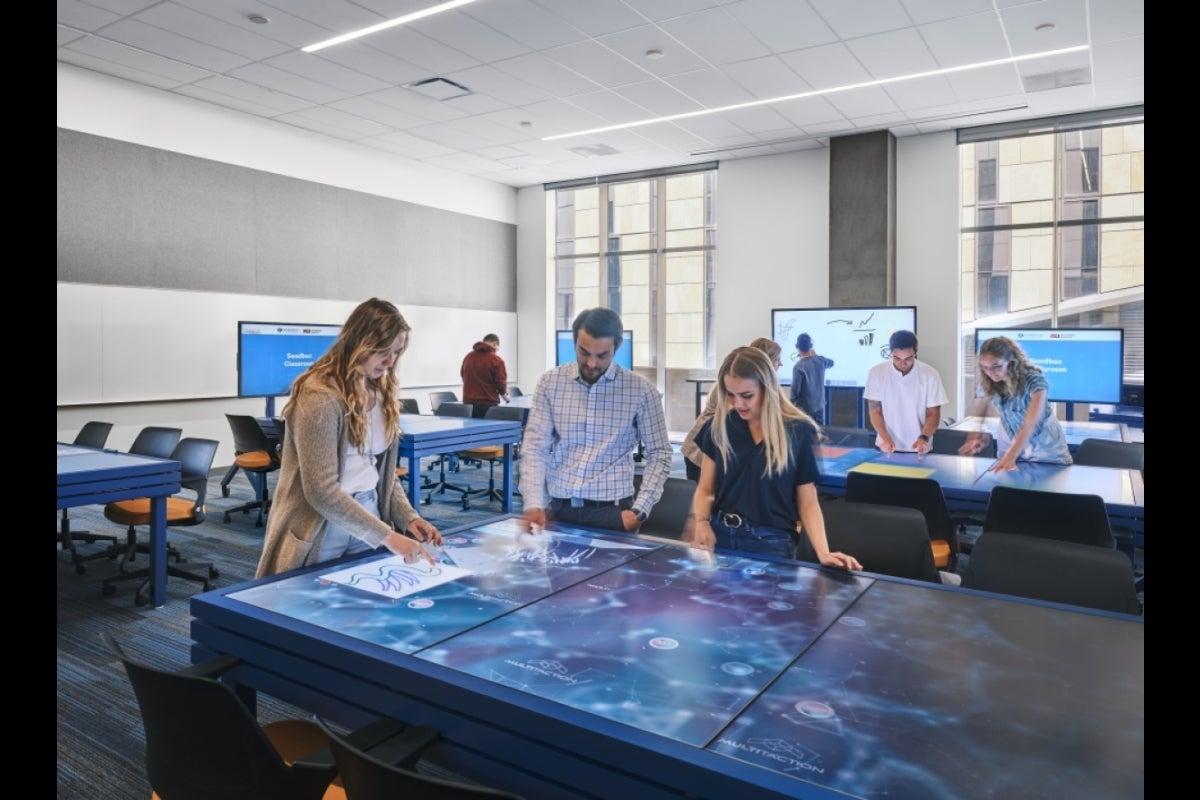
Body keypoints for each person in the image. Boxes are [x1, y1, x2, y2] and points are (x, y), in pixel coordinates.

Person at [256, 298, 442, 578]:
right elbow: (322, 492)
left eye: (397, 353)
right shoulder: (319, 396)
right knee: (312, 609)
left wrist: (408, 517)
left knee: (360, 609)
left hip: (369, 515)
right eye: (385, 352)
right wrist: (390, 537)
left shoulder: (381, 392)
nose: (391, 363)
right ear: (363, 342)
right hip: (323, 524)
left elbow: (379, 472)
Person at [683, 346, 862, 570]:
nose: (738, 404)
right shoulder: (718, 427)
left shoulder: (798, 430)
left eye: (747, 396)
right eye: (731, 395)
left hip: (772, 543)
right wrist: (700, 521)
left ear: (767, 388)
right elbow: (706, 489)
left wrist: (823, 552)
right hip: (720, 538)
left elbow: (807, 501)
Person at [519, 307, 672, 533]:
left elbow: (660, 453)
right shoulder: (550, 383)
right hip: (558, 509)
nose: (591, 363)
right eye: (584, 352)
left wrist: (640, 511)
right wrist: (533, 502)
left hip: (613, 513)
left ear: (616, 348)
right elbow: (535, 448)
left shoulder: (640, 391)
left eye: (601, 356)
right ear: (574, 343)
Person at [960, 335, 1072, 470]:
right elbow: (982, 409)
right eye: (985, 367)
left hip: (1046, 451)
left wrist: (1011, 455)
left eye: (996, 366)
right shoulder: (990, 381)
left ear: (1011, 361)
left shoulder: (1034, 380)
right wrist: (975, 437)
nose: (991, 372)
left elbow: (1031, 422)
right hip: (1015, 448)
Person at [680, 336, 782, 482]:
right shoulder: (738, 384)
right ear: (767, 361)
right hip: (702, 452)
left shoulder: (755, 385)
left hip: (715, 451)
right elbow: (736, 423)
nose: (780, 364)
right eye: (778, 359)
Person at [864, 330, 947, 456]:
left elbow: (933, 413)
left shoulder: (930, 374)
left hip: (920, 448)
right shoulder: (876, 373)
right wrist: (885, 437)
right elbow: (875, 411)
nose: (902, 363)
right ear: (891, 353)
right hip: (885, 446)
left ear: (915, 353)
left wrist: (924, 437)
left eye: (908, 358)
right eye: (897, 358)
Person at [461, 333, 509, 418]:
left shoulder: (468, 357)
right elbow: (500, 384)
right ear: (495, 344)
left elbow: (463, 375)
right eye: (497, 349)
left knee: (471, 431)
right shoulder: (496, 360)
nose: (496, 352)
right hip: (488, 406)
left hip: (467, 407)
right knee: (490, 431)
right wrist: (506, 397)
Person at [790, 332, 834, 424]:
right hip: (819, 407)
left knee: (805, 435)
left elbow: (795, 391)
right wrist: (816, 355)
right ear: (811, 346)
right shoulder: (820, 360)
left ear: (796, 346)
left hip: (804, 410)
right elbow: (832, 363)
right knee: (819, 434)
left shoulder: (798, 367)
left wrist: (790, 405)